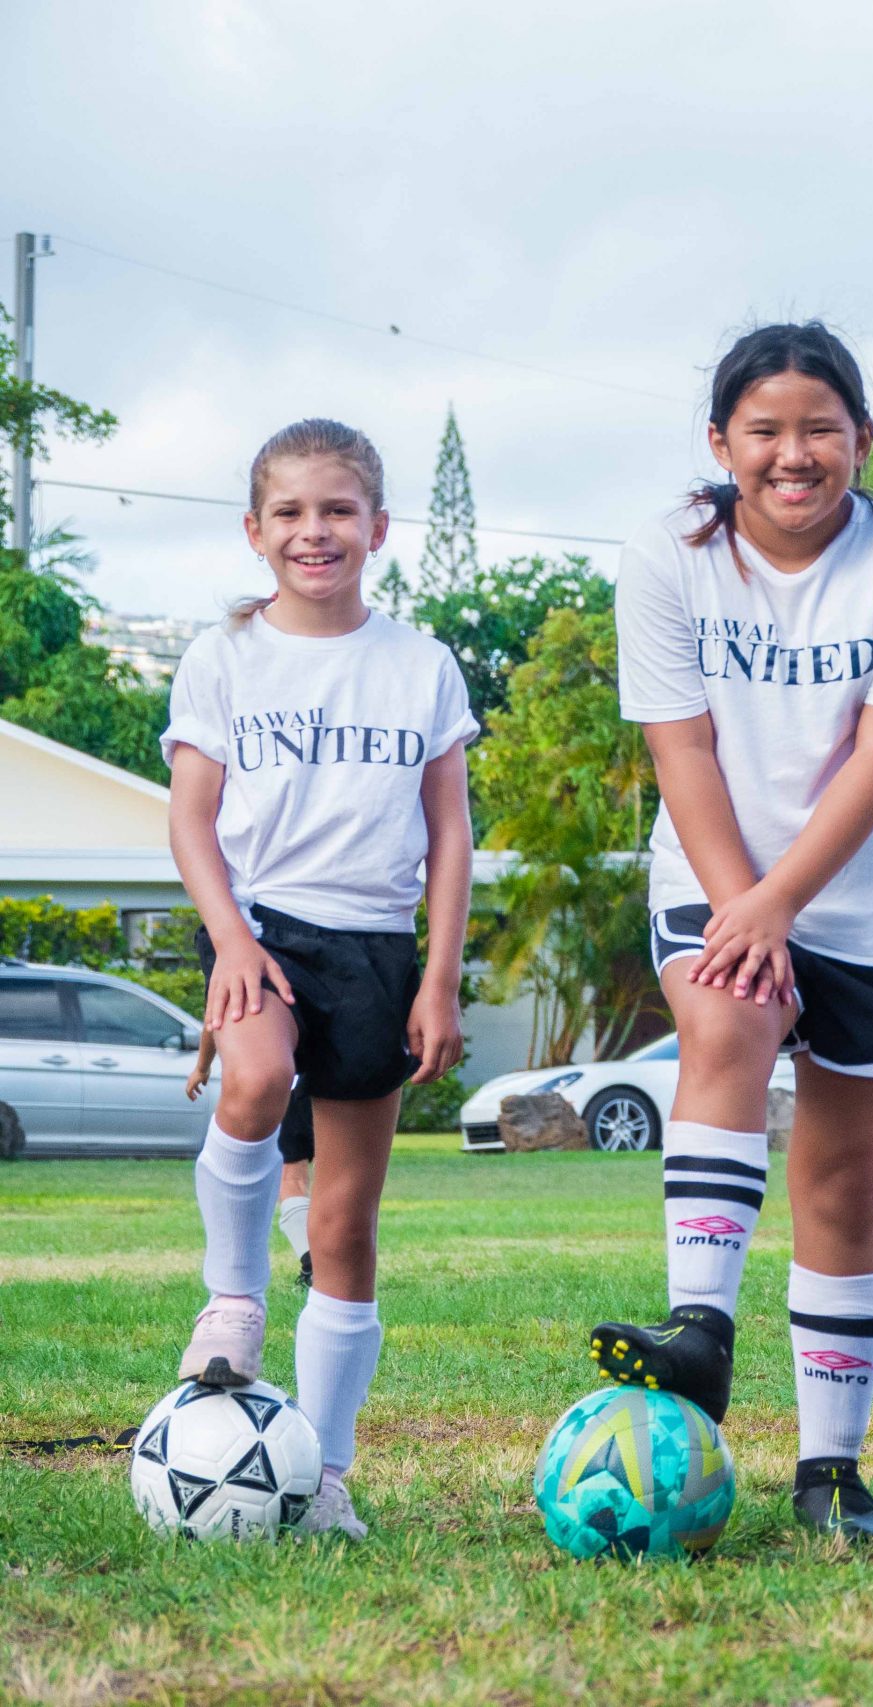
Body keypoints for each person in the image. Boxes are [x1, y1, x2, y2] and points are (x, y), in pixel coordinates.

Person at [583, 321, 873, 1547]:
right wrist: (742, 904)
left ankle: (828, 1470)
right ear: (721, 444)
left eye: (821, 429)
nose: (794, 454)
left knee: (840, 1182)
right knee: (727, 1017)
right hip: (719, 863)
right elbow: (682, 745)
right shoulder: (669, 552)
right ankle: (699, 1331)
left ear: (861, 439)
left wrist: (781, 900)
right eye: (765, 430)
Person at [163, 418, 476, 1539]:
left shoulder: (421, 663)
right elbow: (191, 820)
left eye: (337, 510)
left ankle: (325, 1475)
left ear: (378, 528)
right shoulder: (225, 657)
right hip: (263, 925)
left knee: (344, 1225)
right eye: (290, 512)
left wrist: (438, 977)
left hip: (377, 945)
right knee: (252, 1081)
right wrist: (232, 940)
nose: (315, 531)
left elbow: (450, 835)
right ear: (255, 532)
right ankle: (233, 1300)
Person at [185, 1034, 314, 1288]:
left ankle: (314, 1265)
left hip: (285, 1083)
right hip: (330, 1081)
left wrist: (202, 1067)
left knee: (292, 1179)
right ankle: (338, 1272)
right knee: (335, 1179)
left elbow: (214, 1016)